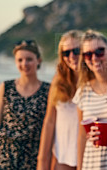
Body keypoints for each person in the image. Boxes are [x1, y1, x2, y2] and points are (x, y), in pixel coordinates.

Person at [0, 40, 50, 170]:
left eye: (29, 59)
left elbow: (51, 125)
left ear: (39, 61)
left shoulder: (48, 90)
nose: (24, 64)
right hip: (4, 155)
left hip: (34, 158)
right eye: (20, 60)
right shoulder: (6, 87)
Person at [72, 30, 107, 170]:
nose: (94, 58)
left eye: (99, 51)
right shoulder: (83, 91)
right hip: (91, 164)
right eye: (88, 54)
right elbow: (81, 136)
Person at [37, 30, 83, 170]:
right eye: (66, 53)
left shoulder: (94, 80)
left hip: (88, 156)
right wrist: (42, 160)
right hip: (62, 156)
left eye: (76, 51)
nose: (71, 56)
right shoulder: (58, 81)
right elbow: (49, 121)